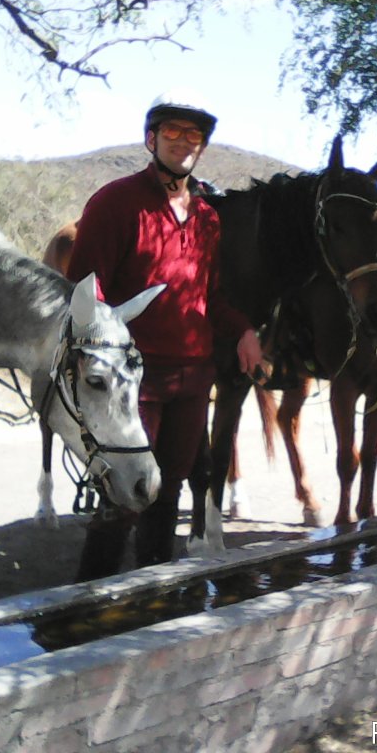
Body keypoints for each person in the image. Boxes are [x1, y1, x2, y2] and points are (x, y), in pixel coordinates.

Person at [66, 89, 263, 571]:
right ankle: (90, 600)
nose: (182, 141)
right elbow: (84, 292)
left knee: (170, 486)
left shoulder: (206, 219)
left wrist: (243, 331)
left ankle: (154, 592)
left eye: (193, 134)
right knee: (125, 490)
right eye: (171, 131)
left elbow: (208, 297)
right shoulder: (116, 203)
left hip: (192, 377)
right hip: (134, 379)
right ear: (151, 139)